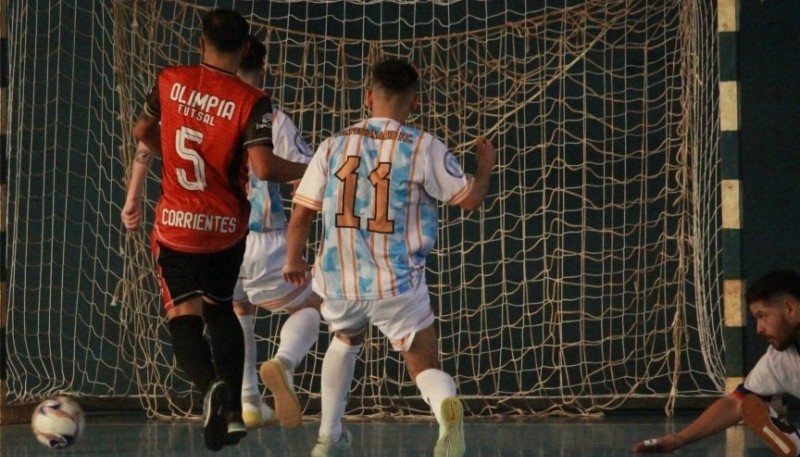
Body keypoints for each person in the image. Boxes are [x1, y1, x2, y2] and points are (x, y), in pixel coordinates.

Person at [283, 58, 497, 457]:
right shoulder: (423, 145)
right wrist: (484, 168)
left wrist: (292, 260)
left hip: (340, 278)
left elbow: (301, 214)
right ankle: (444, 408)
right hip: (396, 282)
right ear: (414, 102)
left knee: (344, 340)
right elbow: (470, 200)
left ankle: (328, 437)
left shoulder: (333, 144)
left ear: (368, 97)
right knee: (424, 363)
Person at [121, 9, 306, 452]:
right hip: (226, 229)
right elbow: (263, 166)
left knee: (183, 317)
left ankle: (212, 391)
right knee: (222, 310)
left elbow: (143, 131)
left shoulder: (169, 80)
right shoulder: (252, 101)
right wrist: (314, 169)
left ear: (201, 43)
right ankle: (234, 407)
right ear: (246, 49)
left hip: (176, 226)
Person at [233, 35, 322, 430]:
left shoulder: (209, 113)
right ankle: (283, 364)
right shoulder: (271, 117)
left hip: (216, 239)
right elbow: (307, 175)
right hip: (265, 238)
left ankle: (248, 400)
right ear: (263, 71)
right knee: (312, 304)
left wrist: (133, 197)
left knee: (239, 309)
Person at [633, 269, 800, 457]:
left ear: (790, 309)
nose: (759, 329)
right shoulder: (778, 361)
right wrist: (678, 439)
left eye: (763, 316)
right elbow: (735, 404)